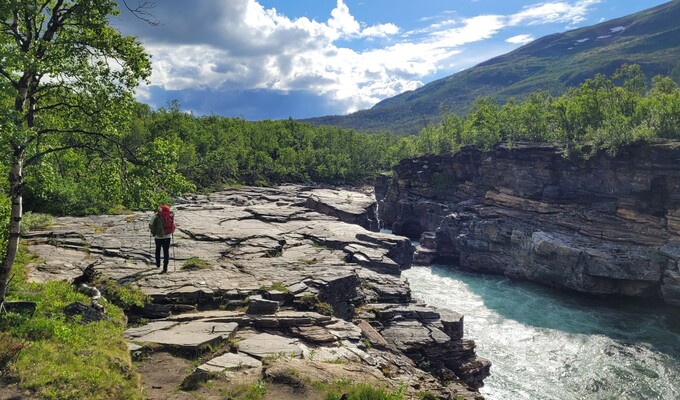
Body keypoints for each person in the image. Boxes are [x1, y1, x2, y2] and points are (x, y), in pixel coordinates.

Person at [149, 205, 174, 273]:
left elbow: (150, 225)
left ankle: (158, 264)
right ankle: (165, 268)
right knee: (166, 251)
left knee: (158, 249)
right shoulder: (170, 216)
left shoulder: (155, 216)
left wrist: (153, 231)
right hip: (167, 236)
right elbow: (173, 227)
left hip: (158, 237)